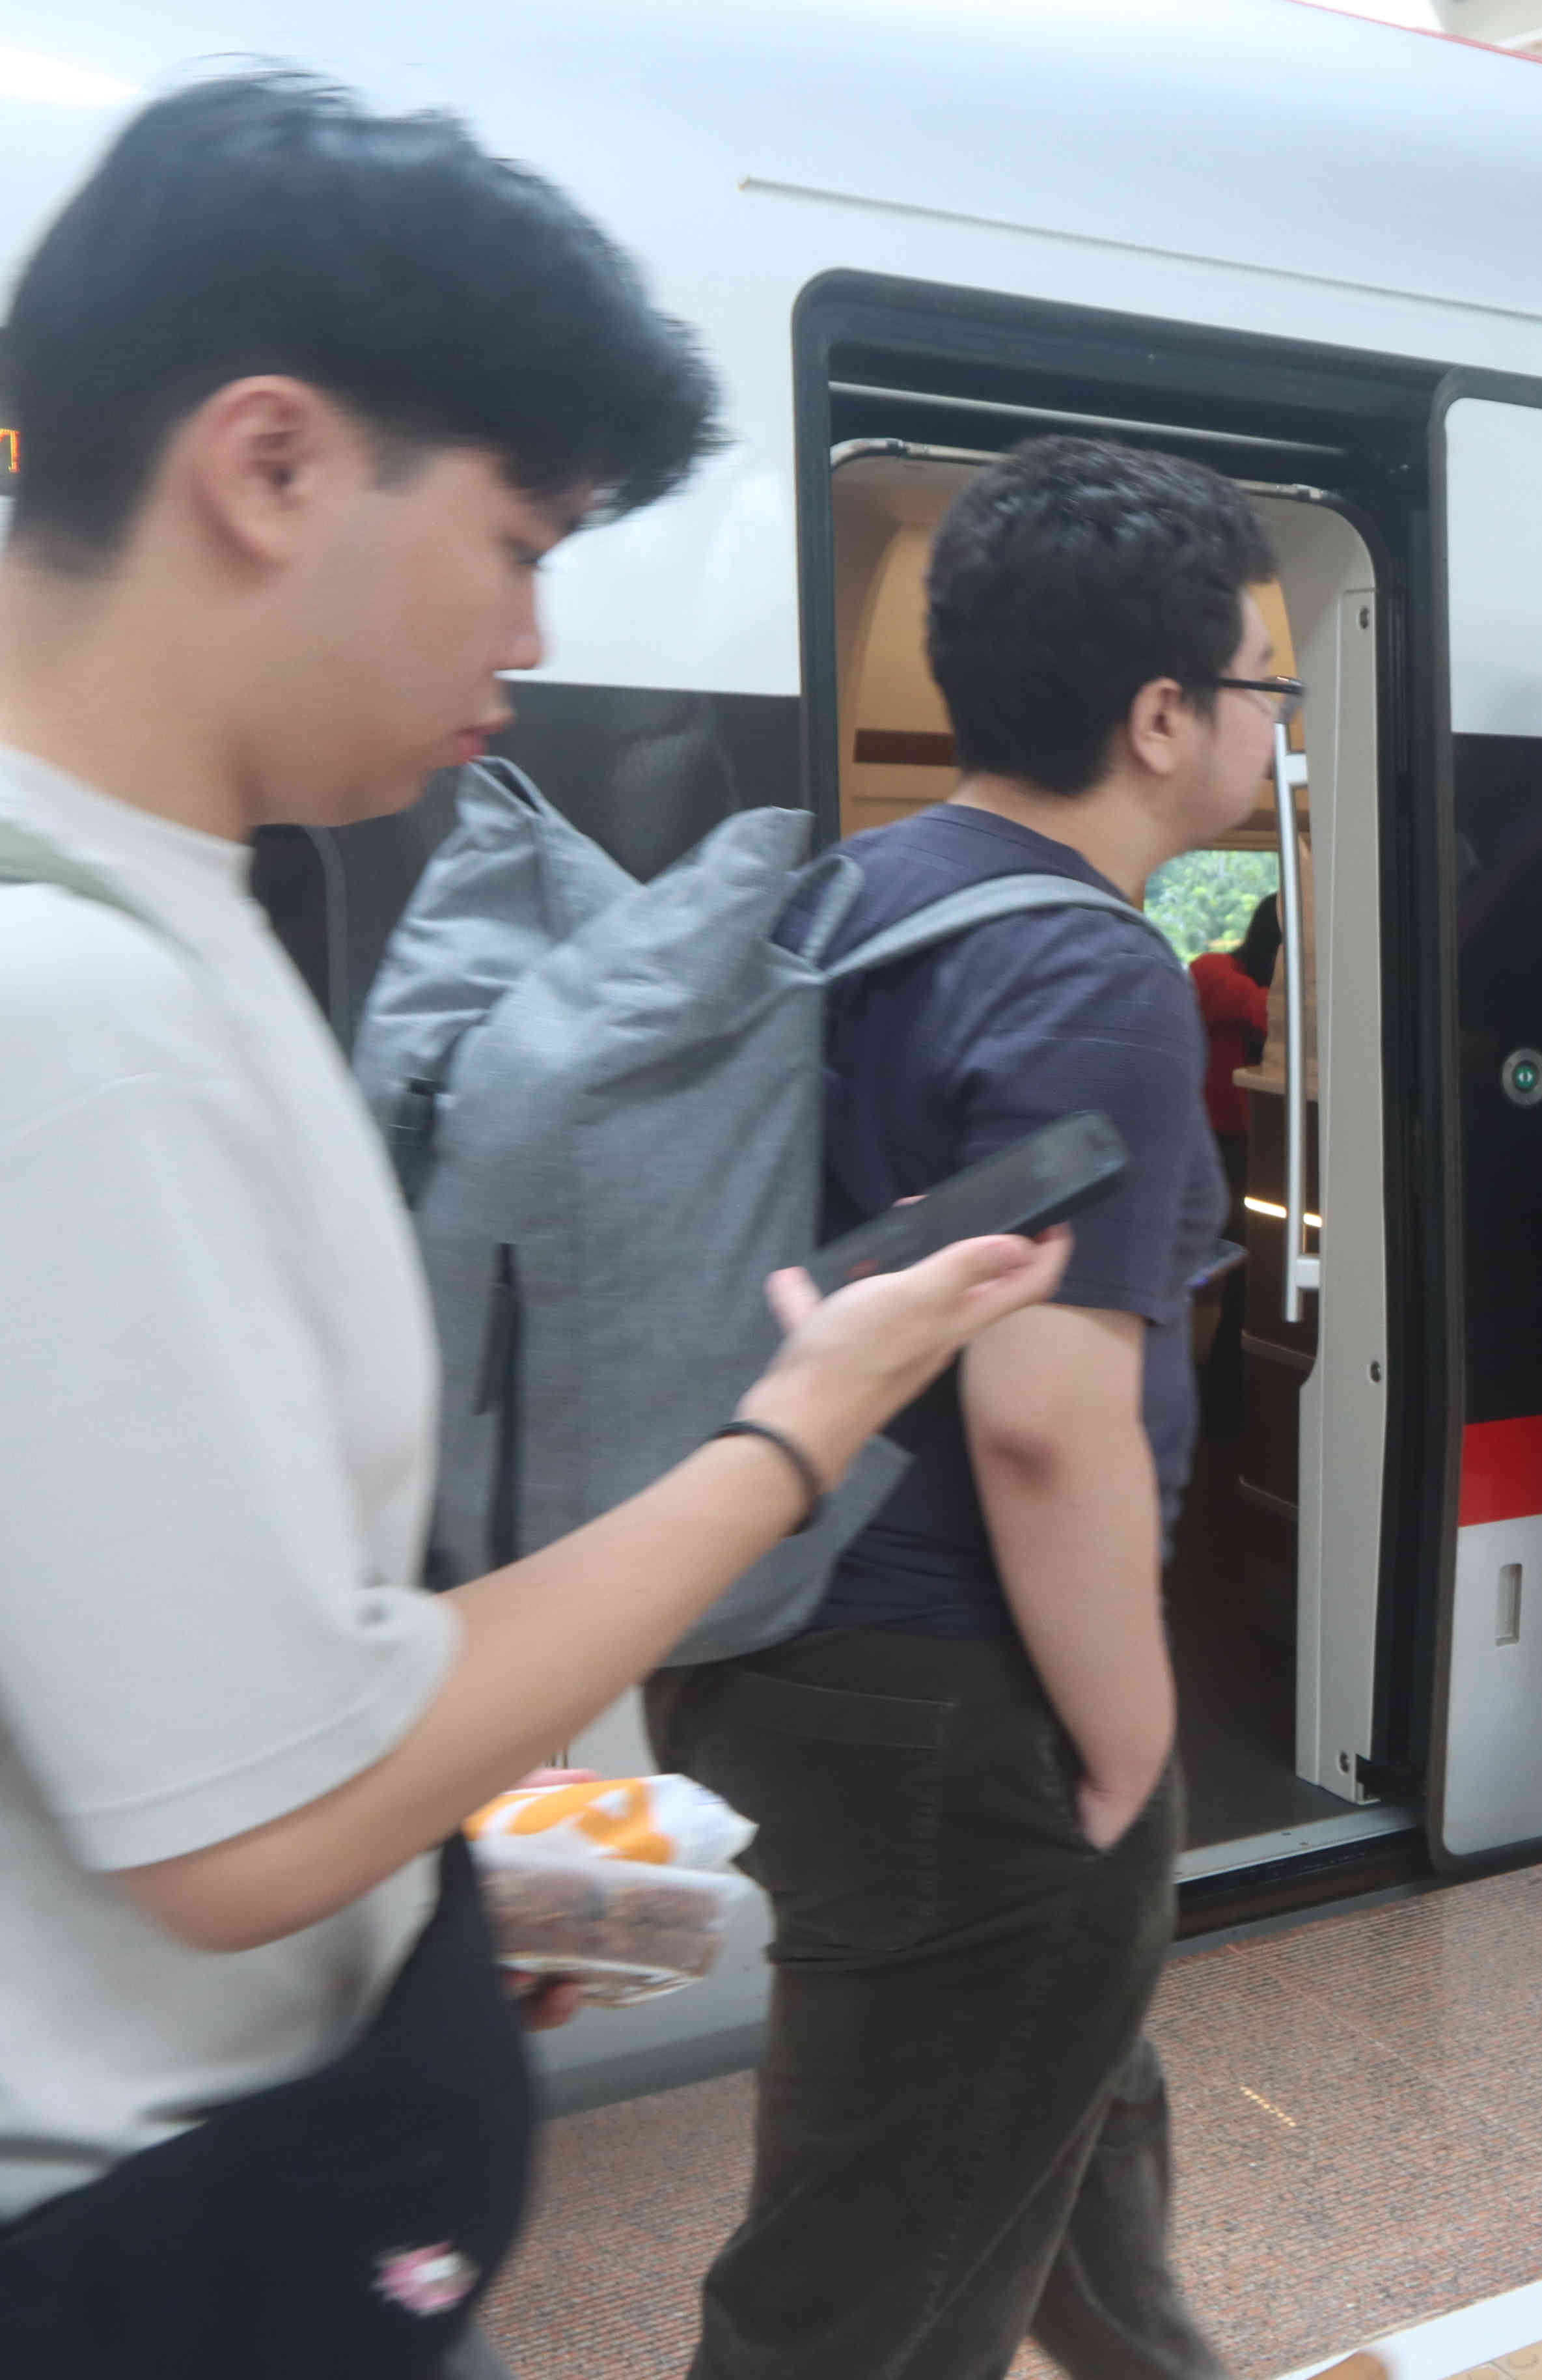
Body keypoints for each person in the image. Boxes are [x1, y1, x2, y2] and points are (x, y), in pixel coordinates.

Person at [0, 75, 1064, 2375]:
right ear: (268, 466)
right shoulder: (71, 1007)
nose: (539, 626)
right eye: (516, 533)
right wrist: (797, 1428)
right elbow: (251, 1818)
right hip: (162, 2265)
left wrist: (421, 1890)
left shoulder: (165, 915)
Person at [646, 436, 1274, 2380]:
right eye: (1265, 681)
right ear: (1161, 714)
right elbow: (1039, 1415)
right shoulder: (1098, 970)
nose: (1273, 724)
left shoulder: (863, 892)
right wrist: (1135, 1727)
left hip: (773, 1619)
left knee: (1044, 2093)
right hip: (948, 1679)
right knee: (860, 2282)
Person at [1187, 907, 1273, 1437]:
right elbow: (1257, 1009)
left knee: (1248, 1266)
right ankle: (1208, 1387)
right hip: (1215, 1140)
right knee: (1220, 1265)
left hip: (1259, 1142)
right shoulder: (1215, 970)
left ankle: (1227, 1386)